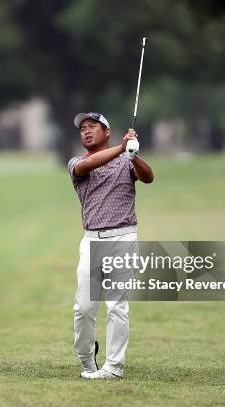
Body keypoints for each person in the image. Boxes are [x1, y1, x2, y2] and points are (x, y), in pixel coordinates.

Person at [68, 112, 154, 380]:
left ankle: (114, 367)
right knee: (84, 308)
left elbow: (149, 177)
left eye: (93, 126)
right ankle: (86, 357)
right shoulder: (76, 163)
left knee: (117, 306)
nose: (86, 131)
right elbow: (87, 166)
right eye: (83, 128)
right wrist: (121, 147)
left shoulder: (126, 162)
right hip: (92, 241)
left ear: (107, 131)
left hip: (123, 239)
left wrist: (133, 155)